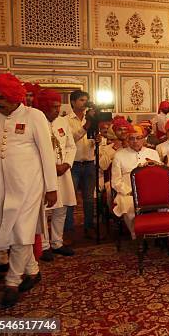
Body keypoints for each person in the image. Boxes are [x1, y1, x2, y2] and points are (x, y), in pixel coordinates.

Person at [0, 73, 58, 307]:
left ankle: (12, 281)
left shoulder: (34, 116)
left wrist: (51, 187)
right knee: (6, 227)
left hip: (30, 184)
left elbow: (47, 154)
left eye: (1, 97)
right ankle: (32, 270)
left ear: (13, 96)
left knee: (22, 229)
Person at [36, 90, 77, 262]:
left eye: (59, 106)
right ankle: (44, 246)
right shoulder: (37, 121)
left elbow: (70, 146)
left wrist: (66, 164)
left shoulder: (62, 121)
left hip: (63, 172)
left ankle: (57, 243)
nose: (57, 110)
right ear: (44, 107)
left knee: (62, 208)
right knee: (44, 210)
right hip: (43, 173)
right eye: (53, 107)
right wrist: (52, 167)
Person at [111, 125, 161, 238]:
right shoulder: (119, 155)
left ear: (143, 139)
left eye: (138, 138)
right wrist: (130, 191)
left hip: (150, 191)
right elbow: (115, 181)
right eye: (132, 138)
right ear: (127, 140)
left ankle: (156, 231)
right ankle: (135, 234)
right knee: (128, 205)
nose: (135, 141)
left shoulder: (153, 153)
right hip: (128, 192)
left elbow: (160, 175)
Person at [67, 90, 96, 239]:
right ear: (73, 102)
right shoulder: (66, 120)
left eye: (86, 100)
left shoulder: (91, 117)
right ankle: (69, 230)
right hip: (74, 164)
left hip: (90, 162)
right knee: (70, 199)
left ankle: (89, 227)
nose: (85, 103)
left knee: (89, 198)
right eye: (81, 100)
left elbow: (96, 136)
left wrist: (98, 139)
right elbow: (71, 138)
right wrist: (87, 125)